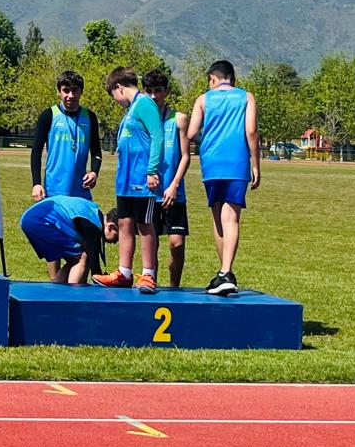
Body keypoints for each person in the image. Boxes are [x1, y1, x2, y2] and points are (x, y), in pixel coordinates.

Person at [187, 60, 260, 296]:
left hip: (211, 163)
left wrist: (208, 138)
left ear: (212, 78)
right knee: (231, 219)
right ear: (232, 78)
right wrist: (256, 165)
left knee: (218, 218)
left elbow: (191, 133)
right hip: (237, 162)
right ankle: (226, 272)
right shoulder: (246, 97)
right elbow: (251, 131)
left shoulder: (203, 99)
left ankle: (223, 273)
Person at [93, 66, 163, 293]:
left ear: (119, 87)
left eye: (113, 95)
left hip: (141, 179)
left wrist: (152, 170)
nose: (115, 100)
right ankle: (124, 273)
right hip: (125, 180)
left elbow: (157, 136)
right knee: (124, 223)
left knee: (144, 224)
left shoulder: (144, 104)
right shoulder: (131, 110)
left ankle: (148, 274)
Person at [29, 69, 103, 278]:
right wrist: (36, 183)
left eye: (75, 90)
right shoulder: (49, 115)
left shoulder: (89, 117)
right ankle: (55, 284)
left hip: (80, 193)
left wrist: (94, 172)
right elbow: (36, 151)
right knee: (55, 244)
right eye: (66, 90)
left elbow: (97, 152)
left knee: (83, 244)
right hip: (54, 189)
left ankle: (75, 288)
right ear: (59, 91)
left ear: (81, 92)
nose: (70, 95)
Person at [143, 69, 191, 288]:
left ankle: (174, 288)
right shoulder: (142, 120)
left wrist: (174, 185)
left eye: (158, 90)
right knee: (151, 245)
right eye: (149, 91)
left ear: (167, 92)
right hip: (150, 193)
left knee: (176, 244)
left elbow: (185, 156)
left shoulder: (179, 119)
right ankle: (150, 283)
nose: (154, 96)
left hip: (174, 193)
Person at [20, 196, 119, 284]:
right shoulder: (93, 227)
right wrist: (100, 279)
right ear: (111, 227)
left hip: (30, 217)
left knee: (73, 260)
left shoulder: (94, 213)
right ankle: (73, 295)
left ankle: (56, 292)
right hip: (41, 221)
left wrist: (98, 276)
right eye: (118, 236)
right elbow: (94, 266)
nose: (116, 242)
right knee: (83, 257)